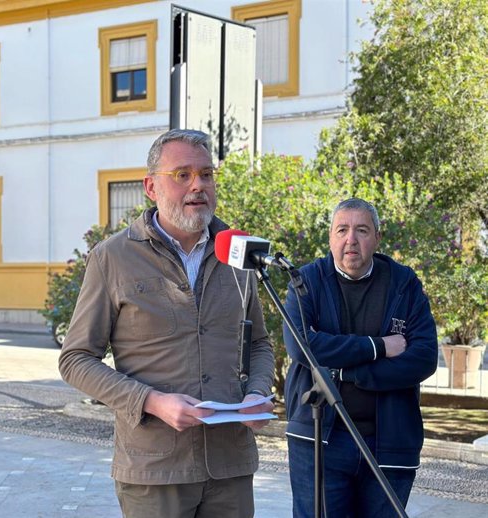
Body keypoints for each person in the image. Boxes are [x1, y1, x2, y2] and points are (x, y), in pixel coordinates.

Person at [59, 129, 275, 518]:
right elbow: (75, 359)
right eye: (182, 175)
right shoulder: (113, 258)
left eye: (207, 174)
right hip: (154, 471)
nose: (198, 186)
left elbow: (258, 342)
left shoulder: (237, 252)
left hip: (231, 466)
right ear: (150, 187)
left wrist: (257, 393)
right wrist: (152, 402)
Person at [283, 197, 438, 517]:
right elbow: (301, 346)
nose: (351, 239)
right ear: (330, 238)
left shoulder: (403, 283)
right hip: (320, 440)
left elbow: (424, 357)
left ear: (378, 238)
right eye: (342, 230)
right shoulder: (306, 281)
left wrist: (348, 373)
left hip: (388, 442)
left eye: (362, 230)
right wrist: (378, 347)